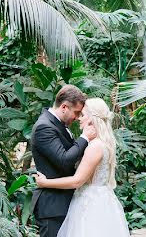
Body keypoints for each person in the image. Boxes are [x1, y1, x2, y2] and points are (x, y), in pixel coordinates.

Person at [35, 98, 130, 237]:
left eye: (83, 115)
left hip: (90, 205)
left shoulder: (95, 146)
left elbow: (77, 181)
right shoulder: (101, 143)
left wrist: (45, 183)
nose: (79, 118)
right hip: (101, 201)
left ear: (92, 120)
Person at [31, 85, 97, 237]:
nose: (78, 117)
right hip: (52, 207)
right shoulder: (44, 127)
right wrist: (85, 138)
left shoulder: (56, 124)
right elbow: (64, 160)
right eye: (76, 112)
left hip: (64, 203)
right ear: (64, 107)